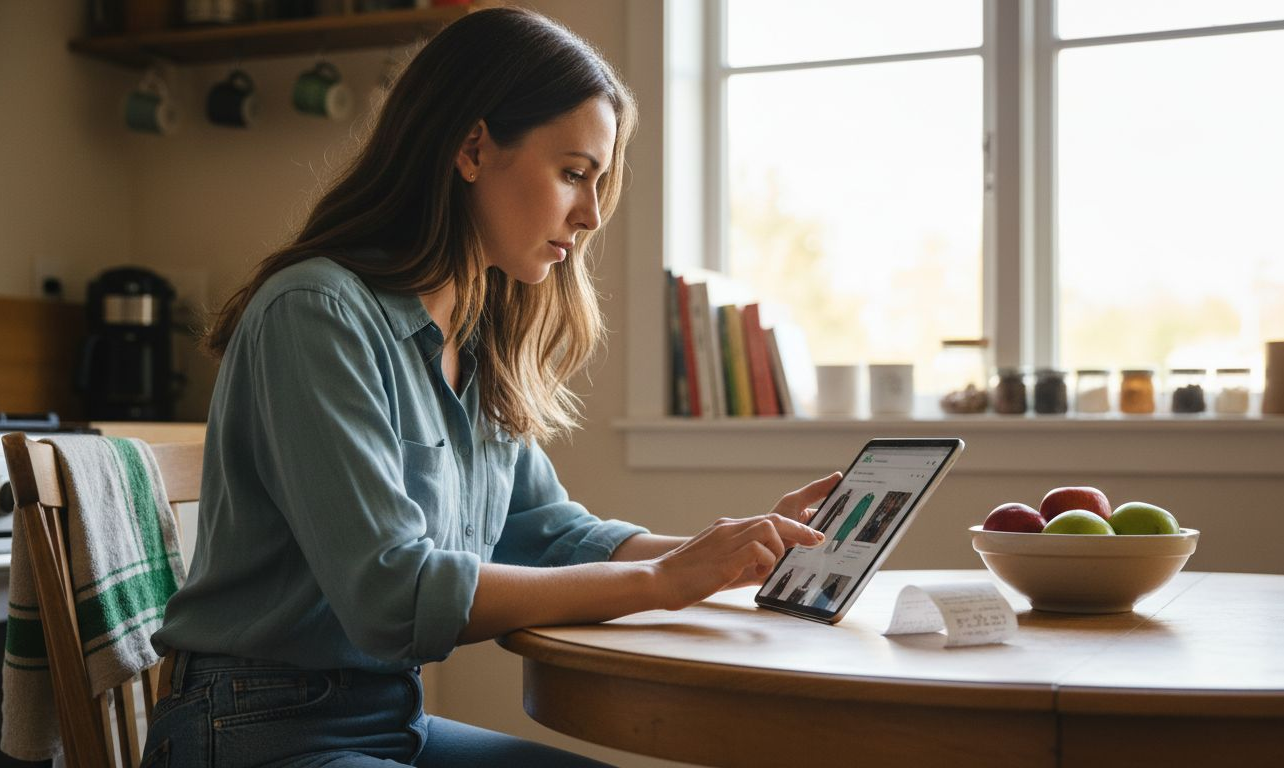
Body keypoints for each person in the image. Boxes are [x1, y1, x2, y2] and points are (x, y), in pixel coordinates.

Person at [141, 8, 838, 767]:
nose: (594, 213)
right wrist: (660, 581)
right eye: (574, 173)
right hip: (252, 733)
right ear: (473, 148)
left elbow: (548, 532)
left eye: (600, 181)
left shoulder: (474, 341)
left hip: (387, 720)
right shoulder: (317, 313)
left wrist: (727, 555)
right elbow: (392, 595)